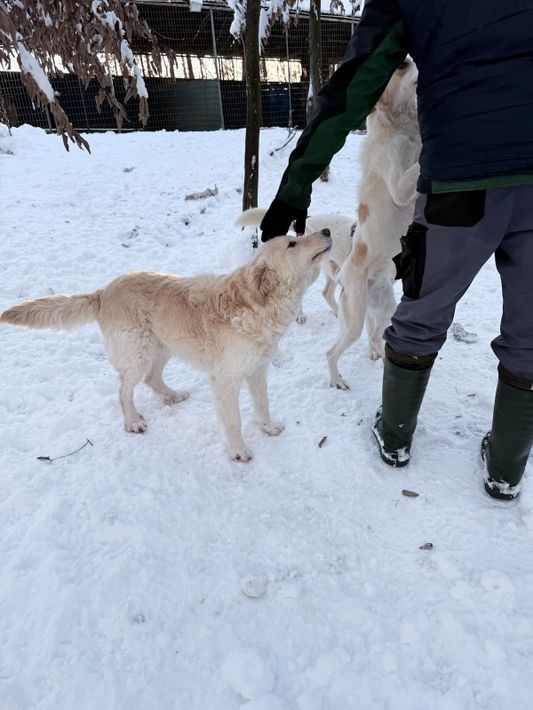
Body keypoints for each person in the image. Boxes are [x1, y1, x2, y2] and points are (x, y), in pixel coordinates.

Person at [259, 0, 533, 501]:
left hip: (460, 177)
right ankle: (507, 468)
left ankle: (395, 436)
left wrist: (297, 182)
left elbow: (356, 82)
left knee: (422, 312)